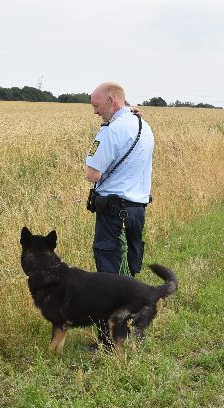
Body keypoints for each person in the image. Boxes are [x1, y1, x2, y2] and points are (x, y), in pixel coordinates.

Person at [85, 81, 155, 345]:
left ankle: (108, 341)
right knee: (128, 273)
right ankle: (132, 331)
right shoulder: (144, 126)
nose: (95, 111)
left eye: (96, 105)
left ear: (112, 101)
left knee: (108, 277)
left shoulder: (110, 132)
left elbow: (92, 174)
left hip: (113, 211)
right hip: (137, 210)